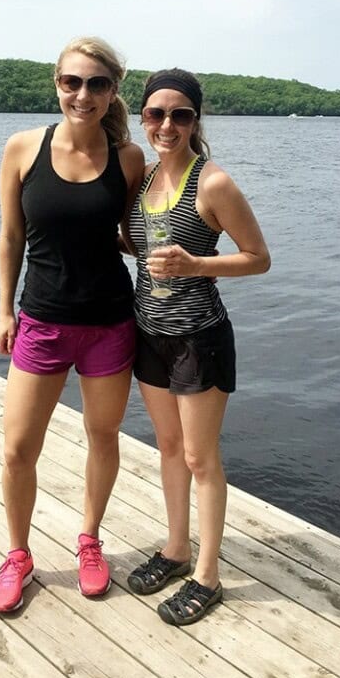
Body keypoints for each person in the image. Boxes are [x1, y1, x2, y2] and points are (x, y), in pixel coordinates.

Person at [0, 36, 144, 613]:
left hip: (110, 323)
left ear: (112, 92)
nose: (82, 94)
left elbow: (131, 235)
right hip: (43, 321)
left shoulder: (128, 158)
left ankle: (89, 540)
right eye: (71, 82)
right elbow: (10, 237)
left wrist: (188, 250)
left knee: (102, 437)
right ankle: (18, 554)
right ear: (57, 84)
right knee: (17, 450)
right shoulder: (23, 148)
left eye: (96, 84)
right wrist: (6, 309)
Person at [126, 68, 270, 626]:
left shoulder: (212, 183)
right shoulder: (140, 179)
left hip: (198, 338)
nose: (167, 124)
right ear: (143, 118)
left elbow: (258, 257)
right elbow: (131, 240)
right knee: (167, 448)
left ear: (195, 120)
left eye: (180, 114)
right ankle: (176, 548)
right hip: (149, 334)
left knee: (199, 457)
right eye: (157, 113)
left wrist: (197, 264)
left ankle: (208, 575)